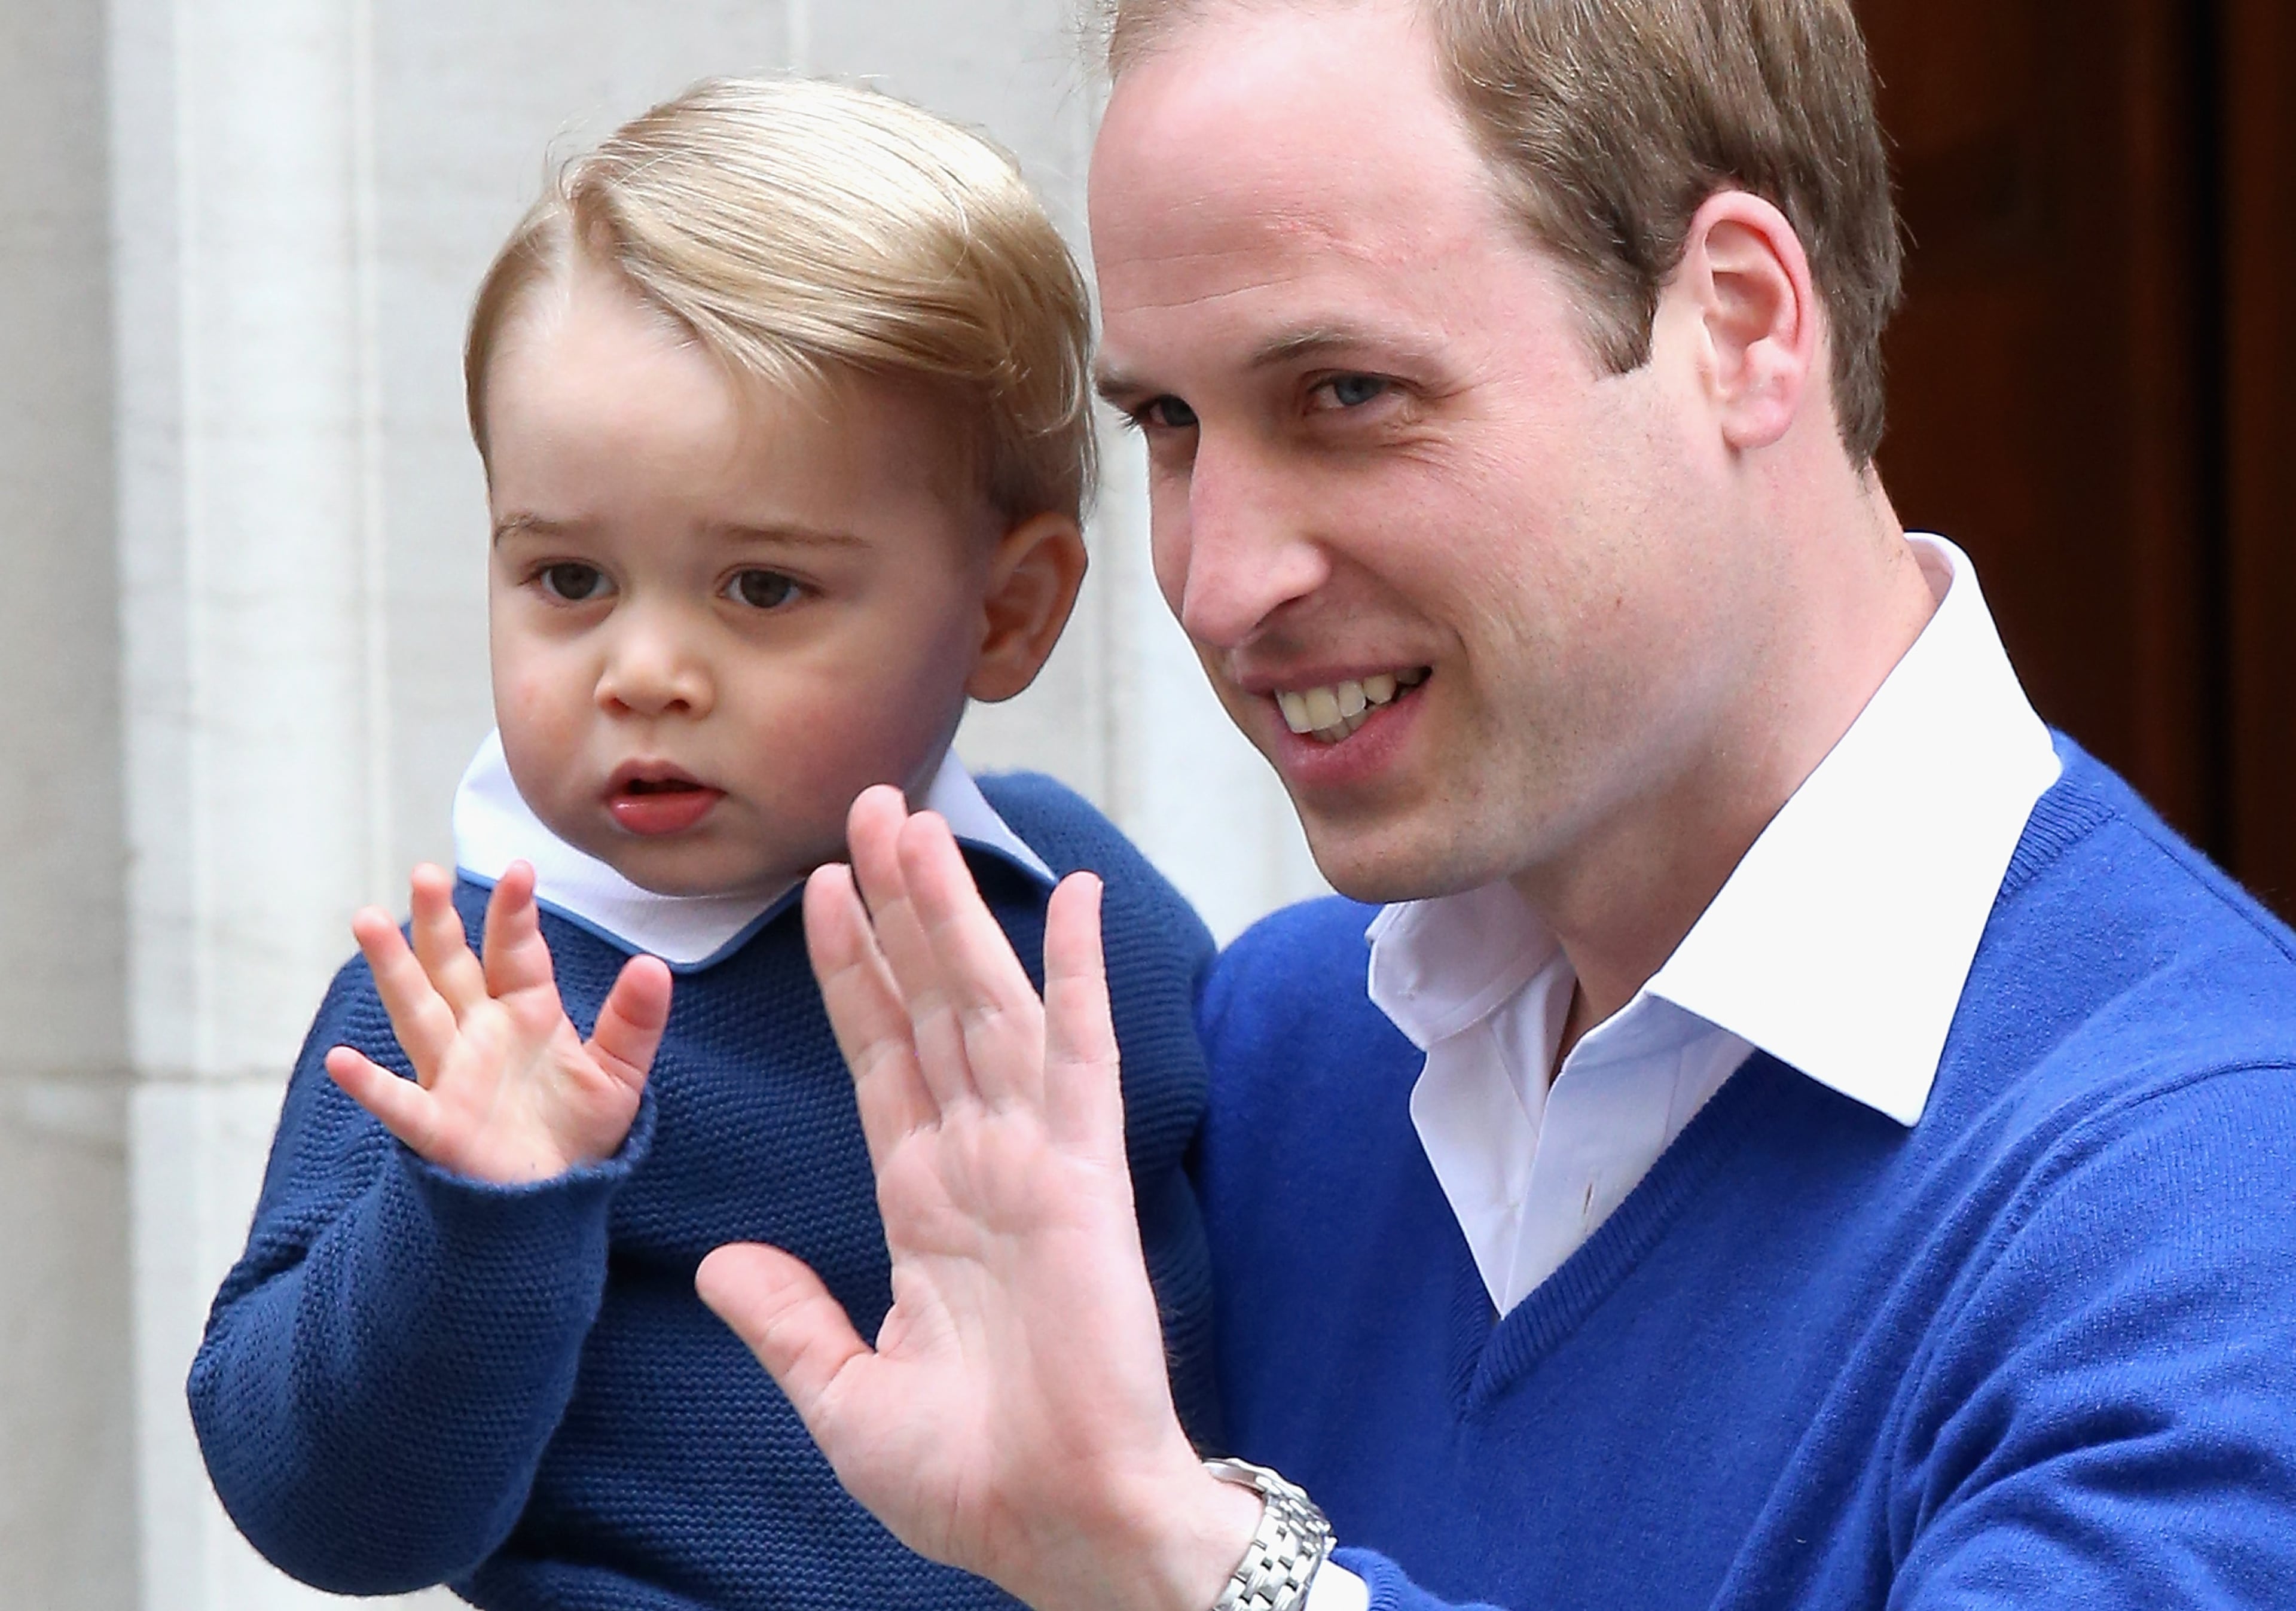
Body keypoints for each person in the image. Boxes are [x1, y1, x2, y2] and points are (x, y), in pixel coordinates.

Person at [694, 2, 2296, 1609]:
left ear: (1742, 323)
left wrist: (1204, 1568)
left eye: (1346, 394)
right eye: (1169, 422)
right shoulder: (1279, 1052)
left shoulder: (2215, 1193)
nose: (1221, 579)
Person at [187, 76, 1222, 1610]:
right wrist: (485, 1205)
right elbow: (323, 1513)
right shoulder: (477, 1009)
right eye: (569, 578)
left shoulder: (1067, 903)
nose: (643, 670)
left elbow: (1290, 1272)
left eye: (760, 590)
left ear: (1007, 613)